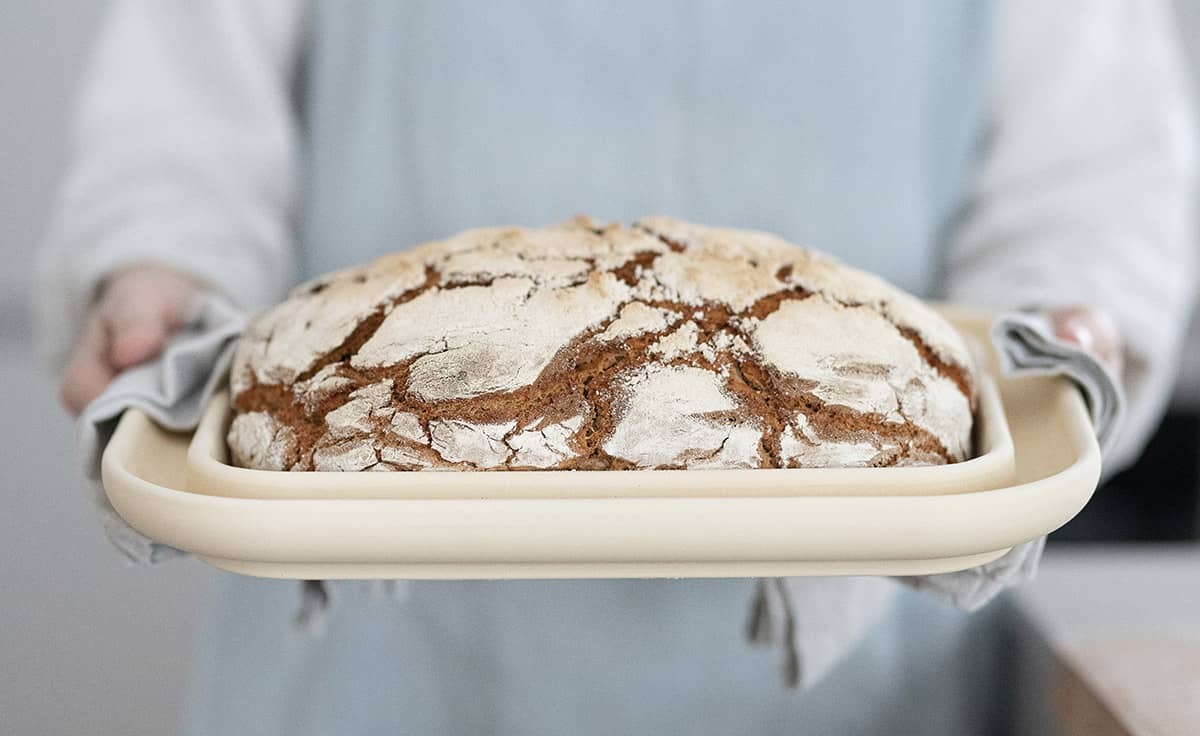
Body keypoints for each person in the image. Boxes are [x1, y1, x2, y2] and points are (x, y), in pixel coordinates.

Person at [36, 1, 1196, 734]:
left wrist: (1063, 336)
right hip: (367, 661)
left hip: (865, 663)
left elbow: (1094, 183)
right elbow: (181, 134)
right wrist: (161, 279)